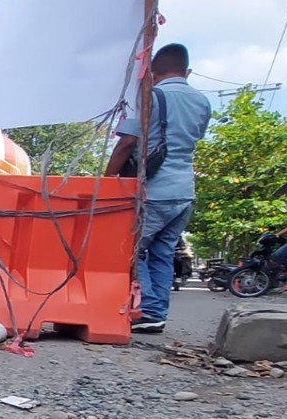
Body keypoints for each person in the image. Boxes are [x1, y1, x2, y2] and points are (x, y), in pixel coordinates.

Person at [106, 43, 212, 334]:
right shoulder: (203, 102)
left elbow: (127, 143)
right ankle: (156, 314)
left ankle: (149, 310)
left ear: (152, 72)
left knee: (133, 250)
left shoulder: (149, 97)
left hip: (154, 191)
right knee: (164, 254)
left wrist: (106, 181)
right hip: (184, 191)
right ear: (187, 71)